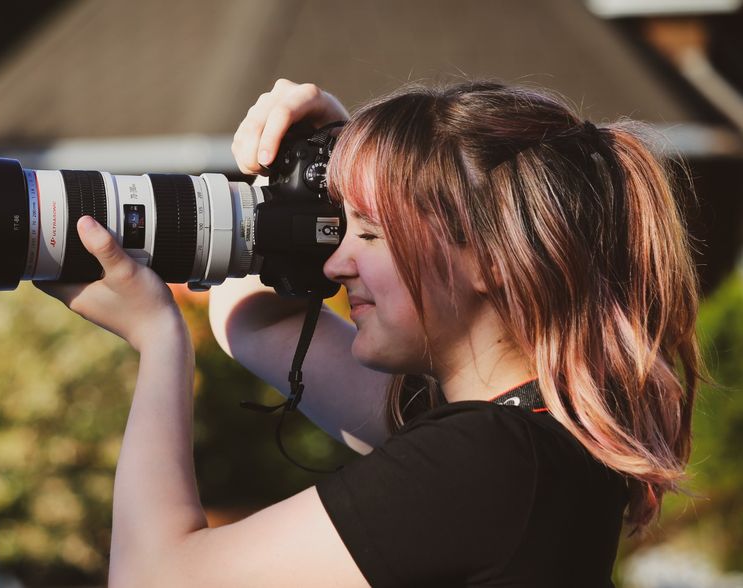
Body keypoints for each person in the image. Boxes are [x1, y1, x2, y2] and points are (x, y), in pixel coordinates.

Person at [37, 78, 702, 587]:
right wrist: (323, 167)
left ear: (489, 261)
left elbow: (155, 578)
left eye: (370, 233)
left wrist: (158, 341)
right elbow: (251, 316)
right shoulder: (523, 435)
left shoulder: (490, 461)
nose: (334, 261)